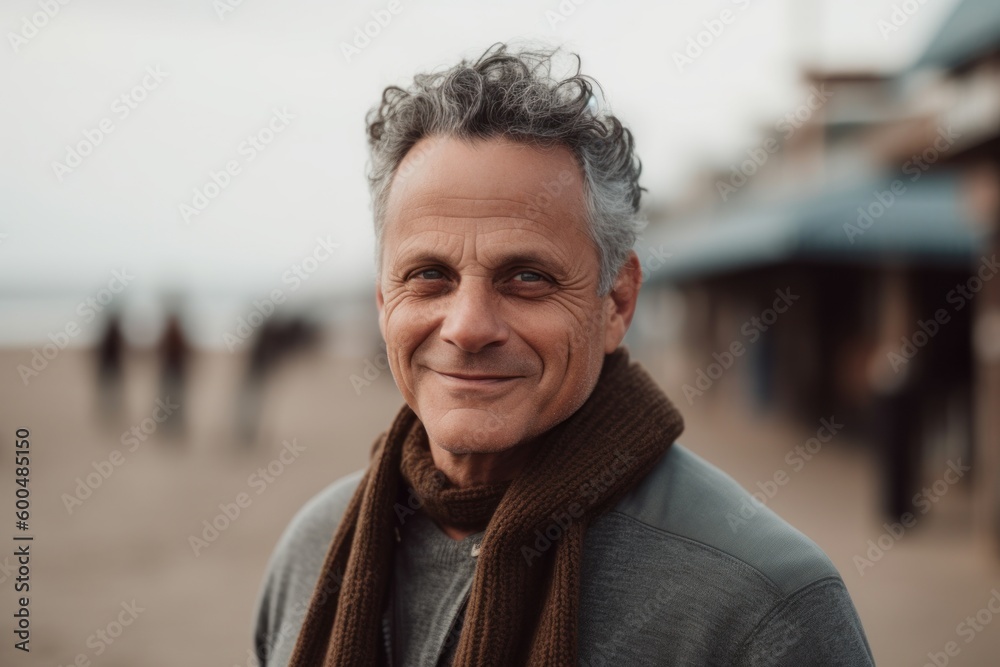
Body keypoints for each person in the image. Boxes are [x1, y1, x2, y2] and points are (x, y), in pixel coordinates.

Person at [253, 43, 875, 666]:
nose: (468, 328)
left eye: (526, 278)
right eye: (429, 276)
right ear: (385, 302)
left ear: (617, 304)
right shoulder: (313, 551)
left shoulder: (761, 603)